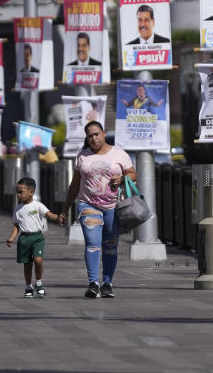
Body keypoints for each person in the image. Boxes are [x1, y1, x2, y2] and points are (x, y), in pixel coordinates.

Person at [61, 121, 137, 299]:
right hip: (88, 205)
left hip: (113, 206)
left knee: (110, 246)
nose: (94, 138)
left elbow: (133, 174)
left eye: (96, 134)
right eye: (90, 136)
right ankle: (93, 283)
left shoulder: (119, 154)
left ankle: (108, 283)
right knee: (92, 243)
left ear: (103, 133)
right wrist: (65, 209)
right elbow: (75, 184)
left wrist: (122, 178)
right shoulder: (82, 157)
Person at [5, 176, 63, 298]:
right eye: (17, 192)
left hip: (37, 237)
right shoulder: (17, 209)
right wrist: (12, 238)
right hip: (24, 238)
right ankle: (28, 286)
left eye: (21, 192)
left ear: (31, 192)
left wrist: (59, 217)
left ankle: (39, 283)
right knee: (27, 264)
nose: (18, 195)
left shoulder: (38, 205)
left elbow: (49, 215)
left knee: (38, 260)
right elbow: (16, 226)